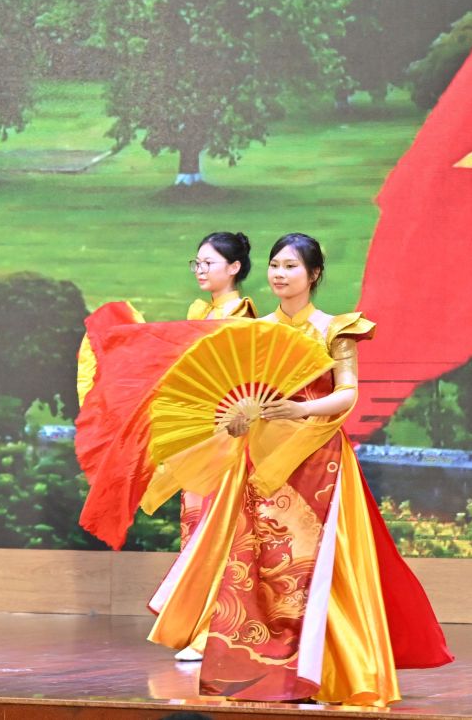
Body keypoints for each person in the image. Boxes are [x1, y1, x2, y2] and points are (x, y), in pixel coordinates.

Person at [147, 233, 452, 705]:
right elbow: (240, 394)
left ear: (313, 275)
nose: (279, 274)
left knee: (318, 568)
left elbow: (347, 393)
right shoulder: (255, 330)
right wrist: (235, 420)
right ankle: (262, 670)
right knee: (260, 567)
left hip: (318, 461)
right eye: (274, 265)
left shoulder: (334, 329)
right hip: (261, 461)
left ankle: (323, 671)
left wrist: (301, 409)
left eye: (290, 266)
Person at [173, 231, 258, 663]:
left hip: (226, 435)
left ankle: (214, 629)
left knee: (220, 530)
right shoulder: (202, 312)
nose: (201, 270)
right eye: (198, 263)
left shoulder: (241, 316)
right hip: (198, 433)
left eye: (209, 263)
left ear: (234, 267)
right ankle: (193, 625)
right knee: (194, 527)